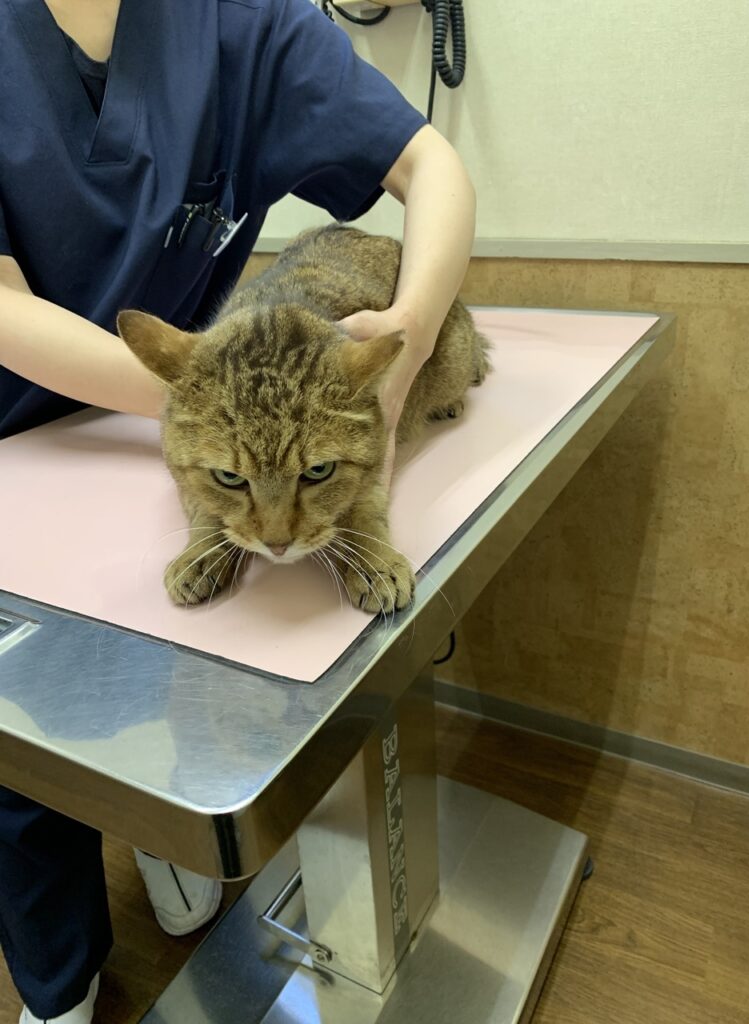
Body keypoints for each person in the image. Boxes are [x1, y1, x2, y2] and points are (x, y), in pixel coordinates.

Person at [0, 0, 475, 1021]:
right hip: (33, 424)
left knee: (180, 659)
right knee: (22, 730)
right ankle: (57, 981)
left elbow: (431, 165)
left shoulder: (238, 22)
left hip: (210, 426)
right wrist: (197, 401)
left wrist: (408, 336)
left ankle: (160, 826)